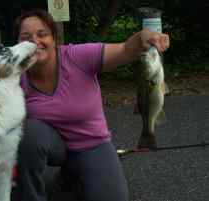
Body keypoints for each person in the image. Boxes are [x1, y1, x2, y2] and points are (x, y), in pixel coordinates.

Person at [13, 9, 169, 201]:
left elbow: (126, 49)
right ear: (18, 43)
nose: (35, 41)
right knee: (28, 133)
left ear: (54, 38)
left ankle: (72, 176)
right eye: (26, 37)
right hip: (52, 146)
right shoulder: (14, 75)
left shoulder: (78, 56)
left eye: (42, 34)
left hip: (92, 144)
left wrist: (143, 38)